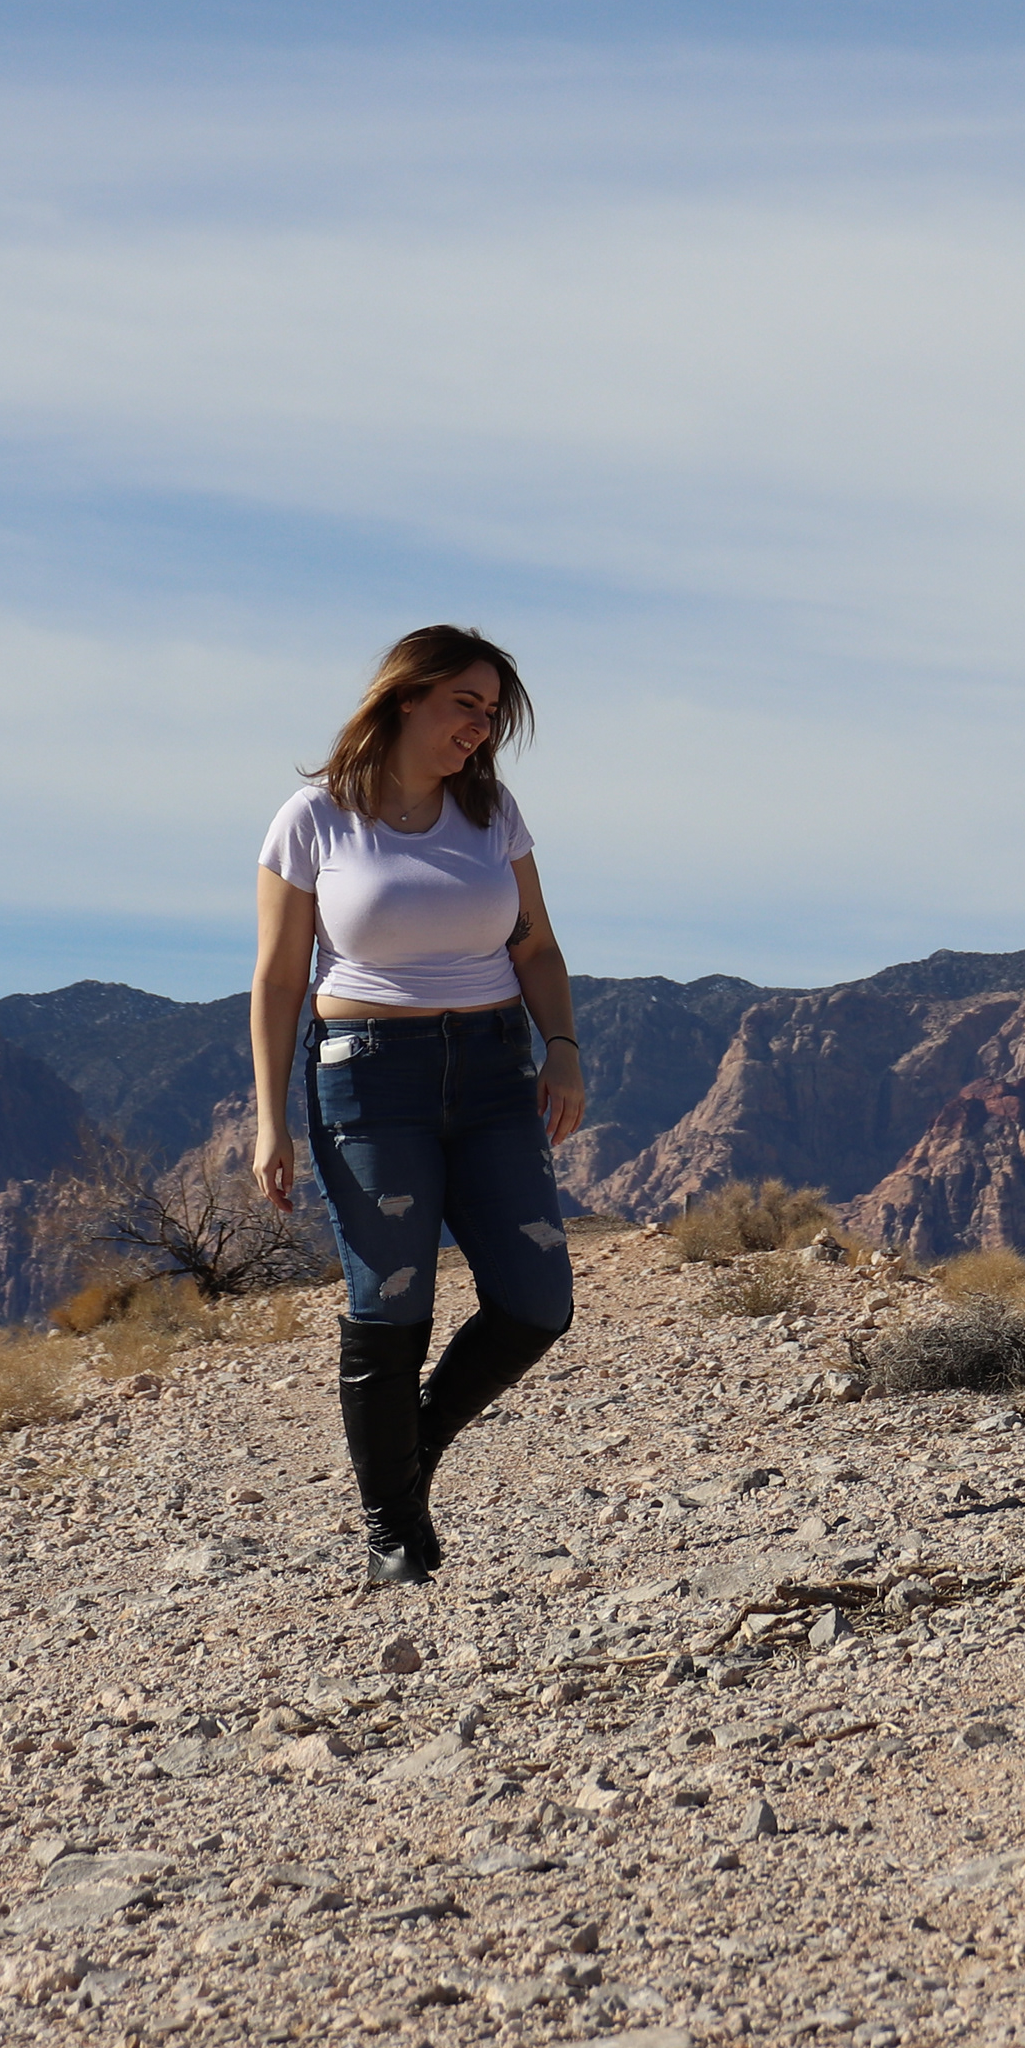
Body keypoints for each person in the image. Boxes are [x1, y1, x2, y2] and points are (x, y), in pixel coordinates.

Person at [249, 625, 587, 1585]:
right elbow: (279, 979)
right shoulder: (313, 819)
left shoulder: (493, 814)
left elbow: (536, 948)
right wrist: (270, 1120)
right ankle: (395, 1533)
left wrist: (562, 1049)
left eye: (492, 713)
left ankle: (408, 1457)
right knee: (392, 1300)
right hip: (367, 1078)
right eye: (463, 705)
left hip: (493, 1072)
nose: (480, 728)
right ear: (406, 696)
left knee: (536, 1303)